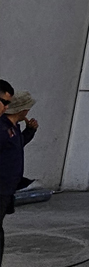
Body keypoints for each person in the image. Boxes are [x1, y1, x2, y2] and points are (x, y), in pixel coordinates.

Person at [0, 89, 38, 266]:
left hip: (7, 188)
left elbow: (17, 146)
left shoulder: (14, 127)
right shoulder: (2, 127)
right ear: (22, 110)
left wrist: (30, 131)